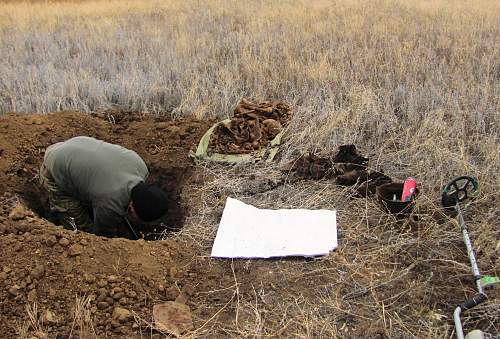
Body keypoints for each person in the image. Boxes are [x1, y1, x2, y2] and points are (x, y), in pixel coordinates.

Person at [39, 136, 168, 238]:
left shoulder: (140, 167)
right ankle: (56, 215)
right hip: (55, 167)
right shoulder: (109, 201)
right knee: (84, 234)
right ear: (132, 207)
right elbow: (103, 237)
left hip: (77, 145)